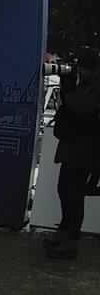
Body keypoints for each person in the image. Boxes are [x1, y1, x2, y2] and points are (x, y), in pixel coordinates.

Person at [45, 51, 100, 259]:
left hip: (84, 149)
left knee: (73, 195)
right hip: (75, 147)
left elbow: (81, 107)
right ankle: (63, 233)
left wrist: (68, 87)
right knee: (65, 190)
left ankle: (70, 242)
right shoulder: (87, 84)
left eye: (81, 67)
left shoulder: (95, 86)